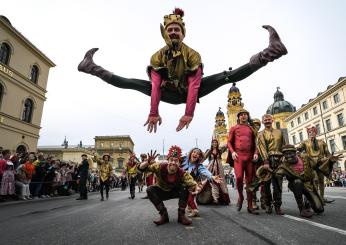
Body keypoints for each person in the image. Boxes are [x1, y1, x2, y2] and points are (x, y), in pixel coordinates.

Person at [78, 8, 287, 133]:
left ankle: (270, 52)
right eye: (170, 30)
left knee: (226, 76)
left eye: (177, 29)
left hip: (190, 91)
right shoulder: (157, 56)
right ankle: (91, 67)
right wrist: (153, 112)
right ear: (165, 34)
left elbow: (195, 85)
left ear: (183, 33)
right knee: (131, 83)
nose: (173, 32)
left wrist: (189, 113)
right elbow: (155, 86)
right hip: (167, 93)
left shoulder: (193, 55)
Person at [138, 147, 199, 226]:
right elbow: (141, 168)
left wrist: (196, 187)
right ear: (168, 161)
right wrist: (147, 162)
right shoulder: (159, 167)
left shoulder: (182, 172)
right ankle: (164, 215)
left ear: (179, 163)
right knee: (150, 189)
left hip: (175, 192)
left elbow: (192, 183)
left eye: (176, 161)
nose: (173, 162)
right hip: (161, 192)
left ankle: (181, 216)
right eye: (171, 160)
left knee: (185, 186)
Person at [227, 109, 259, 215]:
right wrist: (232, 152)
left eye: (245, 114)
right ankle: (240, 197)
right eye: (241, 115)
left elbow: (256, 143)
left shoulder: (251, 128)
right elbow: (229, 142)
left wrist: (256, 153)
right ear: (238, 117)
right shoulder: (234, 128)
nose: (243, 116)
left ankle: (250, 206)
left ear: (247, 116)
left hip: (249, 157)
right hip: (238, 157)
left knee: (249, 181)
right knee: (239, 177)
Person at [298, 126, 336, 204]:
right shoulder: (305, 142)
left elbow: (327, 153)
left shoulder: (321, 142)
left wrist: (331, 158)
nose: (311, 133)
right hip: (311, 164)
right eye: (309, 132)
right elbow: (299, 149)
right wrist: (296, 150)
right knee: (315, 180)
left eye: (313, 132)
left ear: (316, 133)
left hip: (321, 163)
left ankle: (321, 198)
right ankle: (316, 198)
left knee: (321, 181)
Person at [256, 114, 286, 215]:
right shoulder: (260, 134)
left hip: (279, 160)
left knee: (278, 185)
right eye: (265, 120)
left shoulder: (279, 132)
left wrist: (284, 157)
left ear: (272, 120)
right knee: (266, 184)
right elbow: (262, 148)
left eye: (269, 119)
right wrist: (265, 161)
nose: (267, 121)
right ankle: (268, 205)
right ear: (262, 122)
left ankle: (278, 206)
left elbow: (284, 145)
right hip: (267, 161)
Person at [180, 147, 222, 217]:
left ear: (199, 157)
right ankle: (190, 207)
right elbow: (174, 160)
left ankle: (194, 210)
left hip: (194, 184)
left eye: (198, 154)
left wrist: (212, 176)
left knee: (190, 196)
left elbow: (205, 171)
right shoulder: (183, 159)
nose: (195, 154)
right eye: (194, 152)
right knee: (186, 197)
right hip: (183, 183)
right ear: (191, 153)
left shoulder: (199, 166)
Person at [202, 138, 230, 205]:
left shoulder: (220, 150)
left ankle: (217, 199)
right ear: (211, 144)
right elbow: (203, 158)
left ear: (217, 143)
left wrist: (231, 139)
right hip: (211, 167)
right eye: (213, 142)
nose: (214, 143)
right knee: (210, 181)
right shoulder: (209, 151)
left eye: (216, 142)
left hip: (219, 168)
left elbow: (227, 145)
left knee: (220, 182)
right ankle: (213, 199)